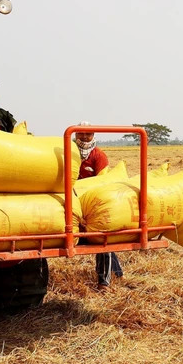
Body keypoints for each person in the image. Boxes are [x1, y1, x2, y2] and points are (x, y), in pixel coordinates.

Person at [74, 121, 120, 288]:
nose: (84, 137)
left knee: (103, 239)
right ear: (75, 135)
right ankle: (117, 272)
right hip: (72, 200)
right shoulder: (68, 151)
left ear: (94, 135)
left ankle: (104, 282)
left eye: (88, 134)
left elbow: (103, 181)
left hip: (93, 203)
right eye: (81, 133)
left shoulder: (98, 155)